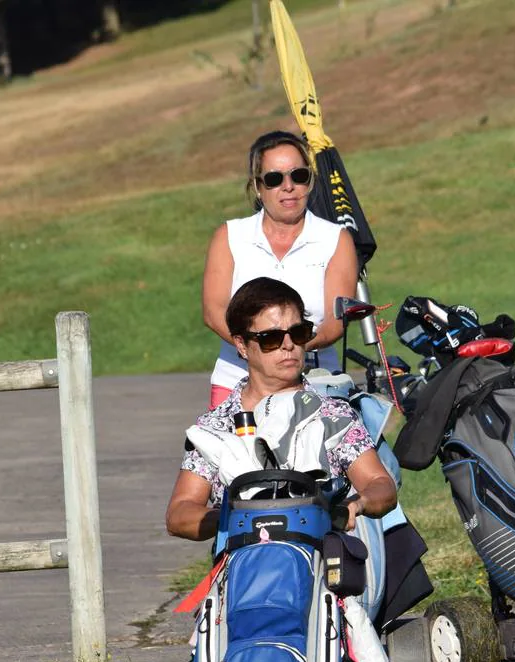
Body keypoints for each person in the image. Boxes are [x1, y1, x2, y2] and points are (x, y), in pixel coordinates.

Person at [167, 277, 395, 541]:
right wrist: (240, 517)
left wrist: (357, 504)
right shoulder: (217, 426)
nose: (288, 345)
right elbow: (178, 514)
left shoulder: (333, 414)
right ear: (241, 345)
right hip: (245, 571)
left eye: (298, 333)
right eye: (271, 338)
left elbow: (381, 485)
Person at [201, 130, 360, 409]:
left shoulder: (336, 239)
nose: (288, 187)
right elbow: (214, 313)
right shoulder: (229, 236)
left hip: (315, 382)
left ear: (309, 181)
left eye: (298, 176)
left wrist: (288, 352)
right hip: (237, 381)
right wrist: (259, 353)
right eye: (275, 179)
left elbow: (334, 325)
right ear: (258, 187)